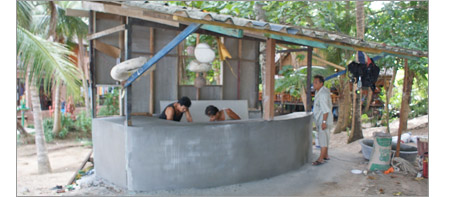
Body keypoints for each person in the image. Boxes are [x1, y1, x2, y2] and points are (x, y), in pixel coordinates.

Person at [312, 75, 333, 166]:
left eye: (316, 82)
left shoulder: (323, 94)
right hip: (322, 118)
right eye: (314, 82)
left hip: (323, 119)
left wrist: (324, 122)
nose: (314, 84)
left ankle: (321, 159)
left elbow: (326, 110)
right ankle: (326, 155)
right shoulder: (320, 91)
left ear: (321, 83)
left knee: (323, 139)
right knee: (325, 137)